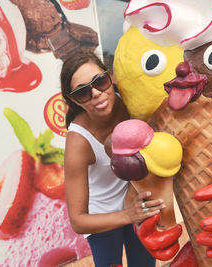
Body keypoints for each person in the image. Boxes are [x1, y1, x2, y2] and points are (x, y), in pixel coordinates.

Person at [61, 49, 164, 267]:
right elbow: (79, 221)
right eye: (82, 92)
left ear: (109, 77)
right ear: (73, 100)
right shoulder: (78, 141)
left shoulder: (131, 105)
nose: (96, 93)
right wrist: (129, 215)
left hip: (135, 201)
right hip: (102, 217)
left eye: (99, 81)